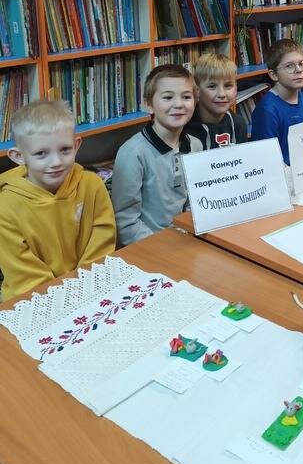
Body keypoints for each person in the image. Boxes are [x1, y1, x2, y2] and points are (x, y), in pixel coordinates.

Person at [0, 100, 116, 301]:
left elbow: (102, 237)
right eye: (41, 153)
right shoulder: (6, 206)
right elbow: (22, 272)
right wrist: (64, 297)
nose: (56, 162)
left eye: (64, 150)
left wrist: (85, 285)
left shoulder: (92, 185)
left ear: (76, 145)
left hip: (90, 285)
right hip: (33, 297)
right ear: (19, 156)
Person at [111, 64, 203, 246]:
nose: (179, 104)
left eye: (186, 97)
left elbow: (193, 203)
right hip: (149, 247)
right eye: (168, 97)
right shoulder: (132, 153)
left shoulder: (196, 145)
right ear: (149, 105)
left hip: (186, 241)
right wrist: (162, 248)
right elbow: (126, 223)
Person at [251, 38, 303, 164]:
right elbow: (265, 158)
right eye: (289, 66)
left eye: (302, 64)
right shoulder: (267, 110)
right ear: (274, 75)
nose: (299, 70)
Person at [186, 51, 247, 148]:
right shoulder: (184, 128)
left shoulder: (239, 124)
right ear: (197, 90)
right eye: (212, 86)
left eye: (228, 86)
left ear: (236, 89)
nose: (221, 94)